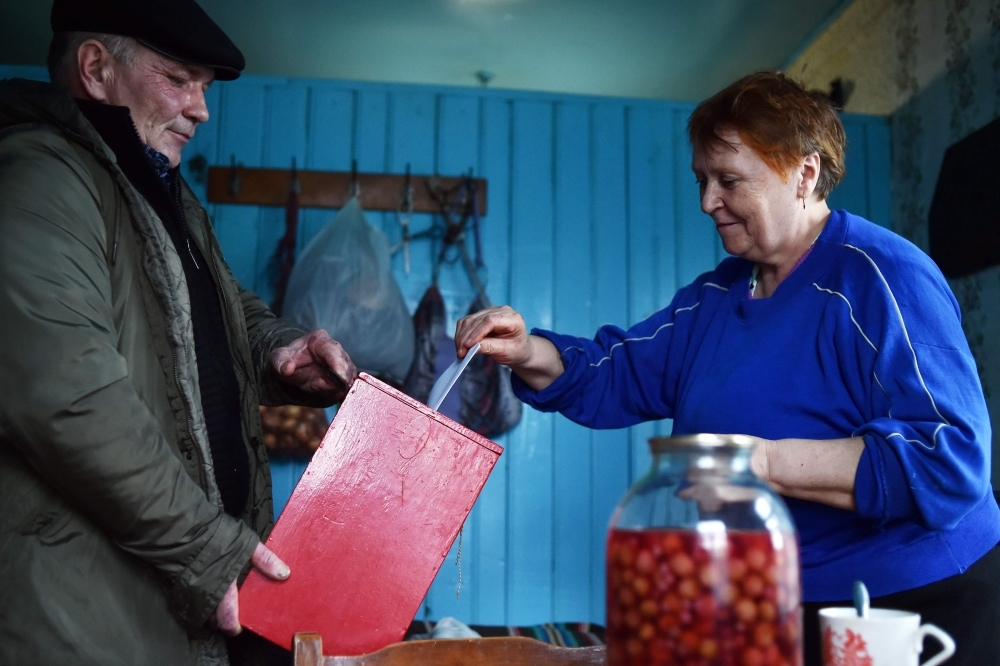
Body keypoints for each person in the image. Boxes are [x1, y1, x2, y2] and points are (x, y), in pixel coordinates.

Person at [455, 72, 1000, 664]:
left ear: (805, 173)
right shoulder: (713, 298)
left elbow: (948, 459)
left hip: (915, 604)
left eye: (729, 181)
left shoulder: (881, 276)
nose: (707, 202)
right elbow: (614, 371)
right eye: (702, 180)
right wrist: (525, 347)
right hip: (777, 599)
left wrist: (757, 462)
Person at [0, 1, 356, 665]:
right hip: (86, 619)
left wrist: (278, 349)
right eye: (179, 80)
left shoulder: (160, 189)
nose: (201, 110)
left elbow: (216, 305)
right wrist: (210, 550)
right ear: (97, 68)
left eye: (205, 89)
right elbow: (67, 400)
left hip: (183, 605)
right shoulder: (40, 182)